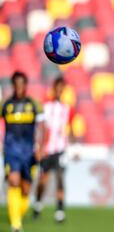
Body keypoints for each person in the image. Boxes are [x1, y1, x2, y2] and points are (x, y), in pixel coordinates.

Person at [0, 71, 45, 232]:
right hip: (11, 151)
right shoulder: (5, 104)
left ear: (26, 85)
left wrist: (40, 147)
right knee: (13, 181)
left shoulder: (34, 104)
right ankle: (16, 225)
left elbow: (42, 126)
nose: (19, 87)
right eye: (16, 84)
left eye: (22, 84)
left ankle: (17, 215)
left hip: (29, 152)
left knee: (25, 190)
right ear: (13, 85)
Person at [33, 76, 75, 223]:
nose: (59, 91)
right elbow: (40, 129)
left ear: (63, 90)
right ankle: (38, 205)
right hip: (46, 150)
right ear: (54, 89)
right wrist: (38, 147)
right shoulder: (45, 107)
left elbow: (70, 129)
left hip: (60, 149)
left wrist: (75, 147)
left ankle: (60, 211)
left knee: (60, 179)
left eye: (61, 88)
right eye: (57, 88)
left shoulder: (67, 108)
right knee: (43, 180)